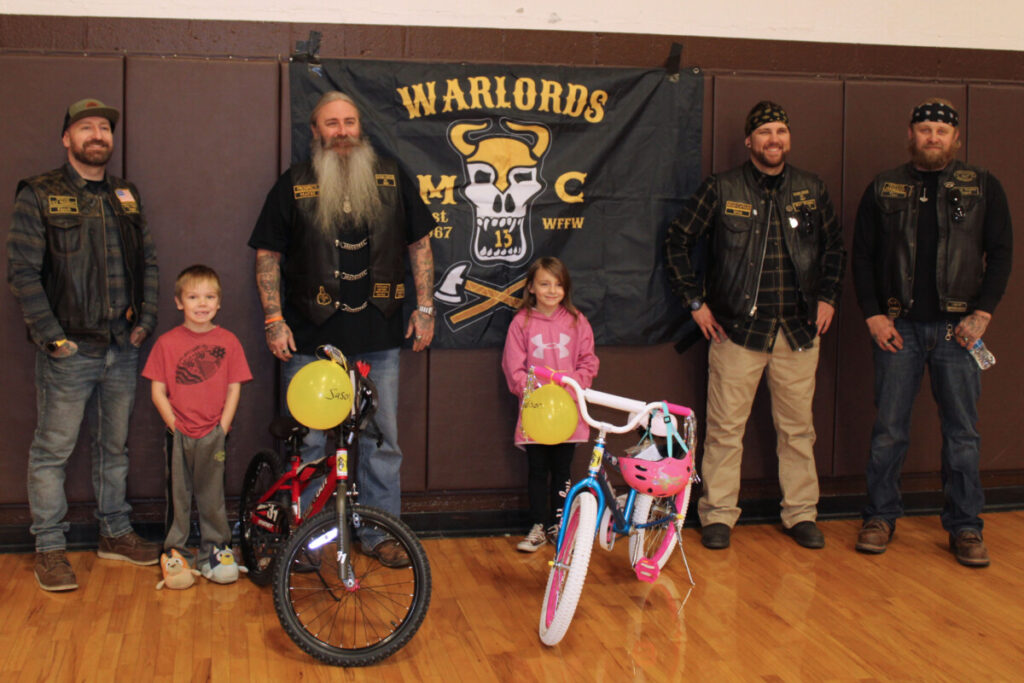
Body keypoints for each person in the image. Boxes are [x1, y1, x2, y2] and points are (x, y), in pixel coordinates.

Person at [248, 91, 435, 568]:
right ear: (315, 132)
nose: (342, 131)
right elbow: (268, 255)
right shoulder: (293, 185)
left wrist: (426, 308)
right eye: (331, 123)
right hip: (312, 336)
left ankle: (378, 532)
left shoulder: (392, 177)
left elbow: (419, 245)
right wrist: (274, 320)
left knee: (382, 441)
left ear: (360, 126)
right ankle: (305, 540)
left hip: (381, 335)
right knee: (308, 441)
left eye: (349, 121)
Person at [664, 101, 846, 551]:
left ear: (789, 139)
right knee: (726, 428)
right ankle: (718, 516)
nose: (774, 140)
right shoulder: (722, 187)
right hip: (735, 333)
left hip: (799, 333)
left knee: (798, 430)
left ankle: (801, 513)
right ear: (749, 141)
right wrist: (695, 303)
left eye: (781, 131)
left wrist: (828, 296)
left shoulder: (811, 188)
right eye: (765, 132)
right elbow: (677, 239)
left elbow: (835, 248)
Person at [7, 97, 161, 591]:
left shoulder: (126, 195)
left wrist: (148, 318)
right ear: (66, 139)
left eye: (104, 128)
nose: (98, 135)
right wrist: (51, 338)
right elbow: (23, 273)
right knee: (52, 450)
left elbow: (150, 263)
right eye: (86, 127)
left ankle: (114, 532)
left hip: (122, 346)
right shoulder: (38, 193)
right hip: (69, 351)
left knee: (113, 447)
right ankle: (49, 547)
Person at [852, 98, 1012, 568]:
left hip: (958, 332)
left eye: (941, 132)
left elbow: (1001, 253)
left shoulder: (983, 187)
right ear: (910, 134)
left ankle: (966, 527)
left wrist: (983, 313)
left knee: (962, 433)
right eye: (924, 129)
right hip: (897, 328)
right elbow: (861, 256)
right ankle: (879, 517)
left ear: (956, 139)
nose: (932, 138)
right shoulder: (884, 187)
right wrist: (873, 315)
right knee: (888, 432)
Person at [142, 265, 252, 584]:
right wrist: (175, 425)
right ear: (179, 302)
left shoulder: (229, 342)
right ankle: (175, 551)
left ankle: (215, 549)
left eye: (209, 297)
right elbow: (157, 390)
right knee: (179, 492)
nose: (201, 303)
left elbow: (235, 386)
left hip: (214, 434)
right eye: (193, 297)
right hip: (178, 434)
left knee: (211, 492)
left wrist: (222, 427)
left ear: (219, 303)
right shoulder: (167, 343)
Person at [502, 257, 599, 552]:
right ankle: (537, 526)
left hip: (567, 413)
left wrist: (573, 385)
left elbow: (588, 362)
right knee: (537, 469)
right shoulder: (521, 323)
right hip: (535, 414)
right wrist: (534, 392)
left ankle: (559, 523)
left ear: (565, 288)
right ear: (531, 287)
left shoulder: (576, 321)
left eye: (558, 284)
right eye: (544, 284)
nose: (551, 290)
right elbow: (513, 369)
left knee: (562, 470)